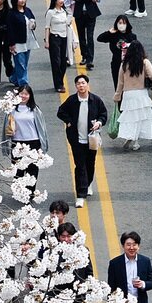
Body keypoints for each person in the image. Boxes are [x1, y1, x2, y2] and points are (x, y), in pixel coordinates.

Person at [58, 74, 108, 207]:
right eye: (78, 83)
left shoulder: (96, 100)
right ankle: (80, 195)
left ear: (87, 84)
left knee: (90, 164)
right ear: (76, 86)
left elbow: (103, 114)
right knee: (80, 166)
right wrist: (68, 121)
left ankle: (88, 183)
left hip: (92, 139)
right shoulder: (72, 100)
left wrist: (99, 122)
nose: (81, 85)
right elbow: (61, 112)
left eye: (83, 83)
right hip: (76, 139)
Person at [106, 232, 152, 303]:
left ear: (138, 246)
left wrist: (143, 284)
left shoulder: (145, 261)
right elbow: (111, 288)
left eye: (134, 244)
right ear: (123, 246)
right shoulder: (115, 263)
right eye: (128, 244)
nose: (132, 247)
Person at [113, 40, 152, 151]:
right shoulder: (144, 62)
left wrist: (117, 96)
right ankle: (136, 141)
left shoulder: (124, 64)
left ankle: (129, 135)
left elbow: (120, 82)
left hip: (128, 94)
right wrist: (146, 77)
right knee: (140, 118)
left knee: (130, 118)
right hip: (141, 93)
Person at [4, 84, 48, 195]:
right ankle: (19, 192)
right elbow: (6, 127)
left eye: (26, 94)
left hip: (33, 142)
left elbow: (42, 128)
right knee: (18, 168)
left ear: (30, 96)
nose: (23, 96)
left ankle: (30, 193)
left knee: (32, 169)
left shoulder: (35, 110)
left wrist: (43, 145)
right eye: (21, 93)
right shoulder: (12, 109)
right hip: (17, 142)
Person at [71, 0, 102, 69]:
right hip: (79, 14)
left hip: (90, 14)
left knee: (89, 37)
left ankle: (90, 60)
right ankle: (84, 56)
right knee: (81, 36)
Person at [45, 0, 77, 92]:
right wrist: (47, 41)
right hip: (54, 38)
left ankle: (60, 81)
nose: (61, 1)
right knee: (56, 62)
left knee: (63, 62)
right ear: (55, 1)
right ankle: (58, 84)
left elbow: (68, 24)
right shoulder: (50, 12)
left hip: (64, 38)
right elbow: (47, 27)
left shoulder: (65, 11)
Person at [97, 15, 138, 90]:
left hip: (129, 64)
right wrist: (109, 32)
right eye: (120, 23)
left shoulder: (132, 36)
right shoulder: (113, 35)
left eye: (124, 23)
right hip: (116, 63)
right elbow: (99, 38)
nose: (122, 25)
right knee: (117, 84)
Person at [6, 0, 37, 87]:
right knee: (20, 63)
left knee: (24, 63)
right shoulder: (11, 13)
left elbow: (33, 21)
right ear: (15, 1)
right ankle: (23, 83)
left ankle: (14, 78)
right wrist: (11, 44)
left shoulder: (27, 10)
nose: (22, 0)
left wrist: (33, 24)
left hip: (28, 41)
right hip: (17, 43)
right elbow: (10, 29)